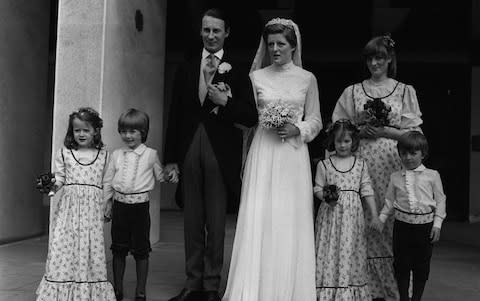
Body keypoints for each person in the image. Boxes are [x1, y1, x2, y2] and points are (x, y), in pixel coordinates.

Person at [222, 18, 322, 301]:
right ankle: (254, 289)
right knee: (260, 216)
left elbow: (315, 119)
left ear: (293, 46)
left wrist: (298, 129)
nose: (275, 49)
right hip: (264, 152)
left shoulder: (307, 79)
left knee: (289, 218)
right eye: (271, 44)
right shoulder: (256, 78)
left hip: (292, 155)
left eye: (281, 44)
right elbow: (247, 118)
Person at [164, 8, 258, 301]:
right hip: (189, 147)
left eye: (216, 30)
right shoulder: (187, 67)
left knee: (216, 222)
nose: (211, 35)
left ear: (226, 32)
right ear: (201, 32)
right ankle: (192, 283)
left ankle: (211, 286)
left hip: (221, 152)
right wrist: (170, 158)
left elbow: (250, 116)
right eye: (206, 30)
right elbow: (176, 114)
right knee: (192, 220)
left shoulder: (239, 69)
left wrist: (225, 102)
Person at [332, 35, 423, 301]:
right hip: (360, 165)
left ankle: (391, 290)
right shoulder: (352, 91)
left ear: (389, 60)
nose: (375, 63)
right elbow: (336, 129)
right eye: (370, 58)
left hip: (393, 166)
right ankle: (362, 288)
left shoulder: (405, 91)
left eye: (380, 58)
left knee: (390, 223)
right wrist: (358, 128)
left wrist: (386, 131)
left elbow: (415, 135)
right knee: (360, 222)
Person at [36, 107, 116, 301]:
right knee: (64, 246)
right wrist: (50, 186)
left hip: (92, 210)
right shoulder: (65, 153)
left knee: (90, 247)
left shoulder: (104, 155)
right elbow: (60, 178)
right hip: (69, 210)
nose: (81, 134)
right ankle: (62, 287)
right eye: (77, 130)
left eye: (86, 130)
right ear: (71, 131)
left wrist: (107, 204)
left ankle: (87, 290)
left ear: (95, 131)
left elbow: (107, 182)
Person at [103, 108, 168, 301]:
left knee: (141, 250)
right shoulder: (116, 155)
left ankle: (141, 291)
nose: (127, 135)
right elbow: (108, 180)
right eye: (124, 131)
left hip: (140, 209)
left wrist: (170, 173)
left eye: (133, 131)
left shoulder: (150, 154)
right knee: (118, 248)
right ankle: (117, 289)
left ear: (143, 132)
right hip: (120, 206)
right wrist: (106, 204)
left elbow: (160, 176)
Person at [314, 119, 382, 300]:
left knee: (351, 249)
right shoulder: (324, 165)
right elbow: (317, 188)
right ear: (332, 142)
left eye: (347, 141)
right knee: (330, 249)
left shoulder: (360, 164)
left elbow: (367, 189)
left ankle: (348, 290)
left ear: (353, 141)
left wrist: (374, 215)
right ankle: (328, 288)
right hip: (330, 216)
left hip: (353, 218)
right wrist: (327, 198)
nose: (343, 145)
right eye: (338, 141)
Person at [378, 131, 446, 301]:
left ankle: (416, 298)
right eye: (403, 153)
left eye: (413, 153)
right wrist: (380, 220)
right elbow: (389, 202)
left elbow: (441, 200)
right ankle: (403, 298)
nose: (408, 158)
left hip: (425, 228)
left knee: (421, 266)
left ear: (423, 154)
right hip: (402, 228)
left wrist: (437, 224)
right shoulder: (395, 177)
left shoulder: (433, 176)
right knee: (401, 265)